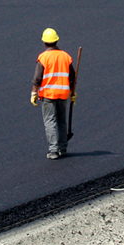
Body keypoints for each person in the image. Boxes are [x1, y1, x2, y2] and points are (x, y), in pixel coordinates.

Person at [31, 28, 76, 159]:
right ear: (56, 41)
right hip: (63, 93)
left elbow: (37, 78)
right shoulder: (66, 56)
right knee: (62, 121)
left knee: (50, 121)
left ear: (45, 43)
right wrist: (73, 92)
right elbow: (72, 77)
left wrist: (34, 93)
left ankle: (53, 150)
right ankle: (63, 148)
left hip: (48, 94)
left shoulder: (43, 57)